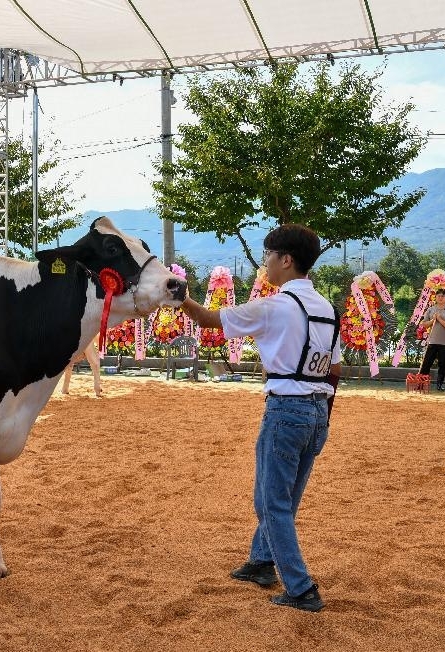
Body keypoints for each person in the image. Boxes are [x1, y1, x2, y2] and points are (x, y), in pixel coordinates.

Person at [180, 223, 340, 613]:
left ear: (286, 260)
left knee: (271, 502)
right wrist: (323, 415)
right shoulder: (326, 308)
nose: (265, 262)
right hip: (318, 408)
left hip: (286, 409)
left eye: (269, 254)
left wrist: (177, 294)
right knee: (286, 497)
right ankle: (261, 561)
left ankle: (301, 588)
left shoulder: (275, 307)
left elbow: (206, 319)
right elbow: (335, 370)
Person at [418, 288, 445, 391]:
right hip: (432, 341)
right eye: (439, 296)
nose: (441, 298)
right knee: (426, 363)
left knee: (442, 364)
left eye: (443, 296)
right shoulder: (430, 309)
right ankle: (421, 383)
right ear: (436, 297)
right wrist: (433, 320)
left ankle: (439, 384)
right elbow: (424, 324)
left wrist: (440, 319)